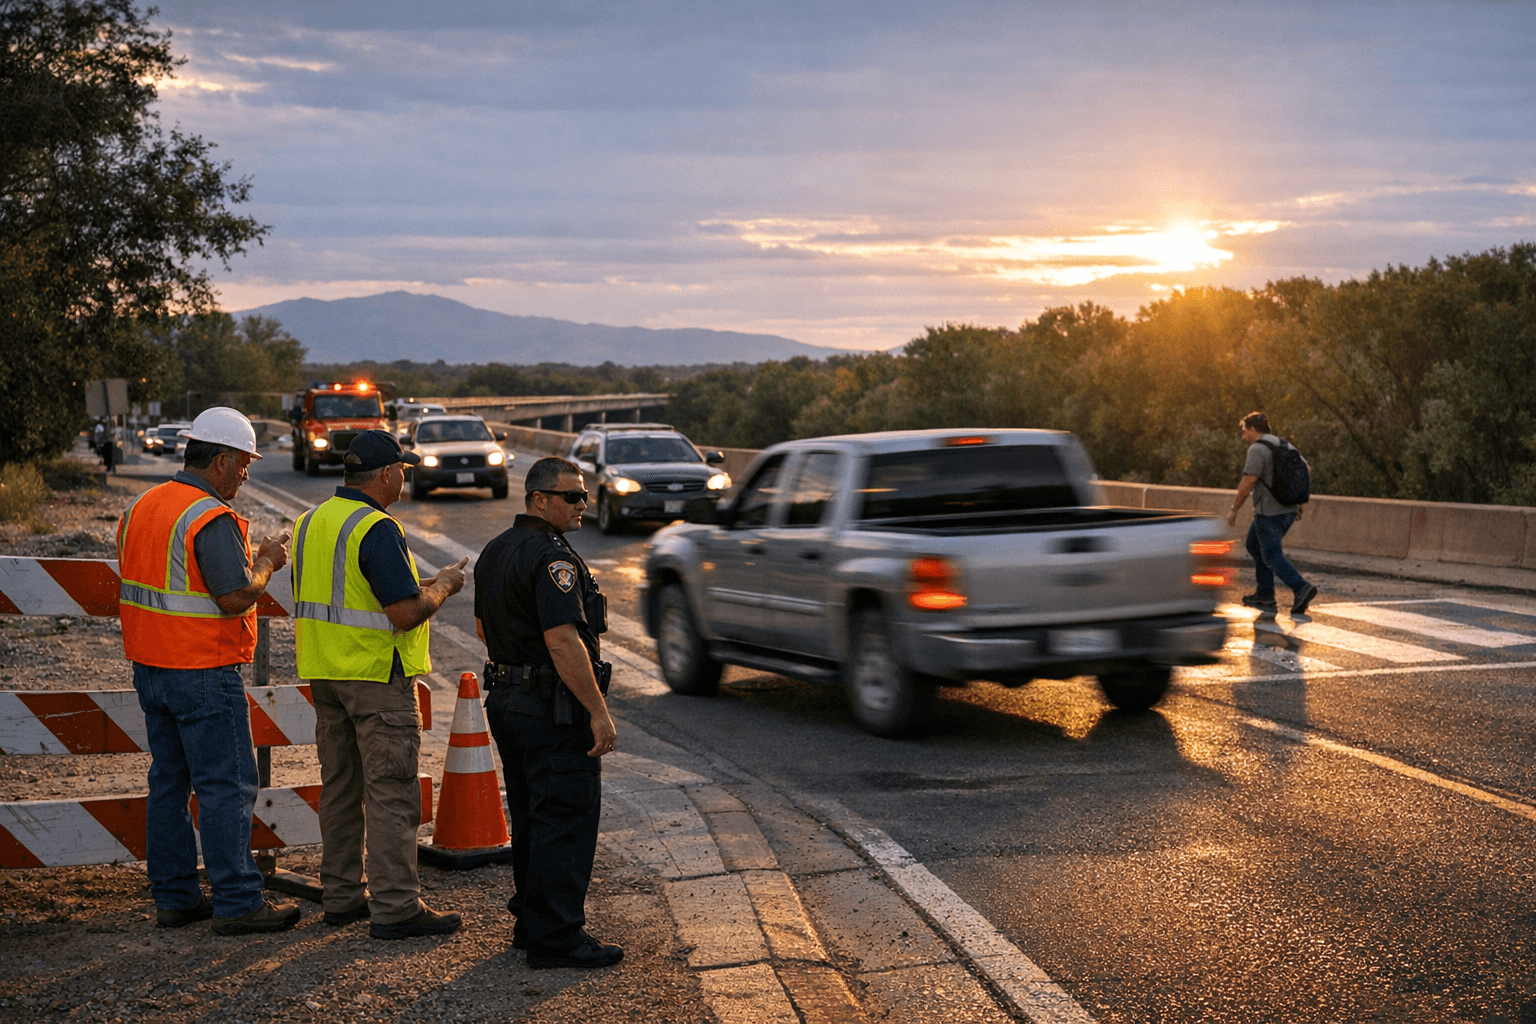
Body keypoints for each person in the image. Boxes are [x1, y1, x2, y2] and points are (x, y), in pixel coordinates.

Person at [117, 406, 301, 935]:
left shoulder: (142, 507)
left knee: (168, 784)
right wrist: (266, 561)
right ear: (220, 461)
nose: (245, 474)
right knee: (226, 786)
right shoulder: (208, 516)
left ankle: (174, 896)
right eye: (243, 464)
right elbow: (235, 595)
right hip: (202, 668)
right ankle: (239, 900)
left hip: (151, 668)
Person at [291, 429, 469, 940]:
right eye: (403, 472)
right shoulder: (377, 527)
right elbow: (406, 612)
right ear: (387, 475)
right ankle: (394, 906)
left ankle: (342, 897)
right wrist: (443, 587)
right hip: (374, 676)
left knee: (341, 789)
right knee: (391, 791)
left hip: (325, 674)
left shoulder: (310, 522)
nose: (404, 480)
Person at [475, 456, 622, 970]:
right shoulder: (553, 558)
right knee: (565, 817)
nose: (583, 504)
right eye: (572, 497)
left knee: (533, 817)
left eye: (584, 495)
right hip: (549, 707)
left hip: (508, 699)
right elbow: (563, 642)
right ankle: (557, 938)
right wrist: (598, 713)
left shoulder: (496, 550)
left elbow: (481, 628)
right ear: (539, 500)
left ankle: (531, 922)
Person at [1226, 412, 1318, 616]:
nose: (1243, 437)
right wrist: (1298, 500)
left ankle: (1300, 587)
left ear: (1252, 429)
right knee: (1254, 544)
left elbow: (1248, 481)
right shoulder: (1283, 444)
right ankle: (1265, 594)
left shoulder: (1257, 449)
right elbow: (1305, 469)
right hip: (1287, 511)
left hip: (1269, 512)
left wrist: (1234, 510)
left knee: (1271, 554)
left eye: (1244, 432)